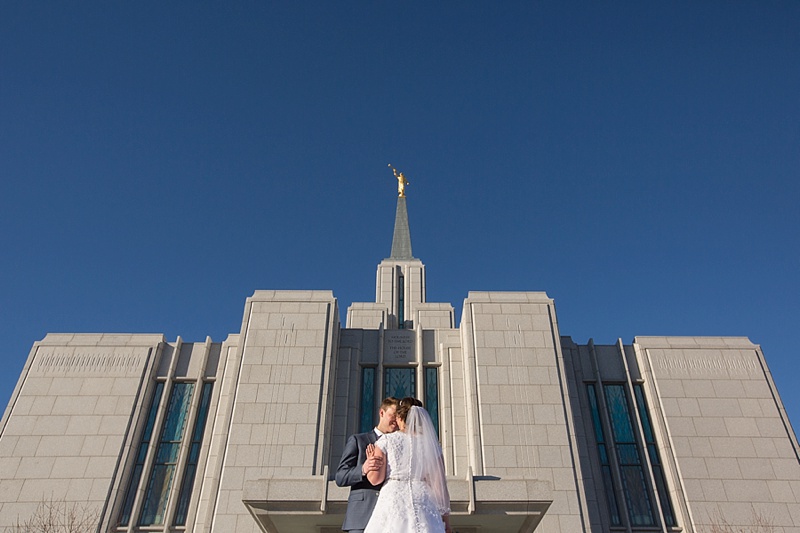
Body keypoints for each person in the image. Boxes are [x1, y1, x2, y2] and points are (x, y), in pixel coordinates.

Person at [363, 397, 452, 533]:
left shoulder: (386, 441)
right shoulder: (432, 446)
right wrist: (446, 521)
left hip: (393, 497)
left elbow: (375, 479)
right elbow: (439, 485)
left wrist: (370, 462)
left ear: (399, 417)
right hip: (422, 497)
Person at [335, 397, 399, 533]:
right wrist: (363, 469)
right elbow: (340, 476)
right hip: (361, 516)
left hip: (390, 517)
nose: (395, 421)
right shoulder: (358, 440)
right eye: (392, 415)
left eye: (398, 417)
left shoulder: (400, 446)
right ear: (381, 413)